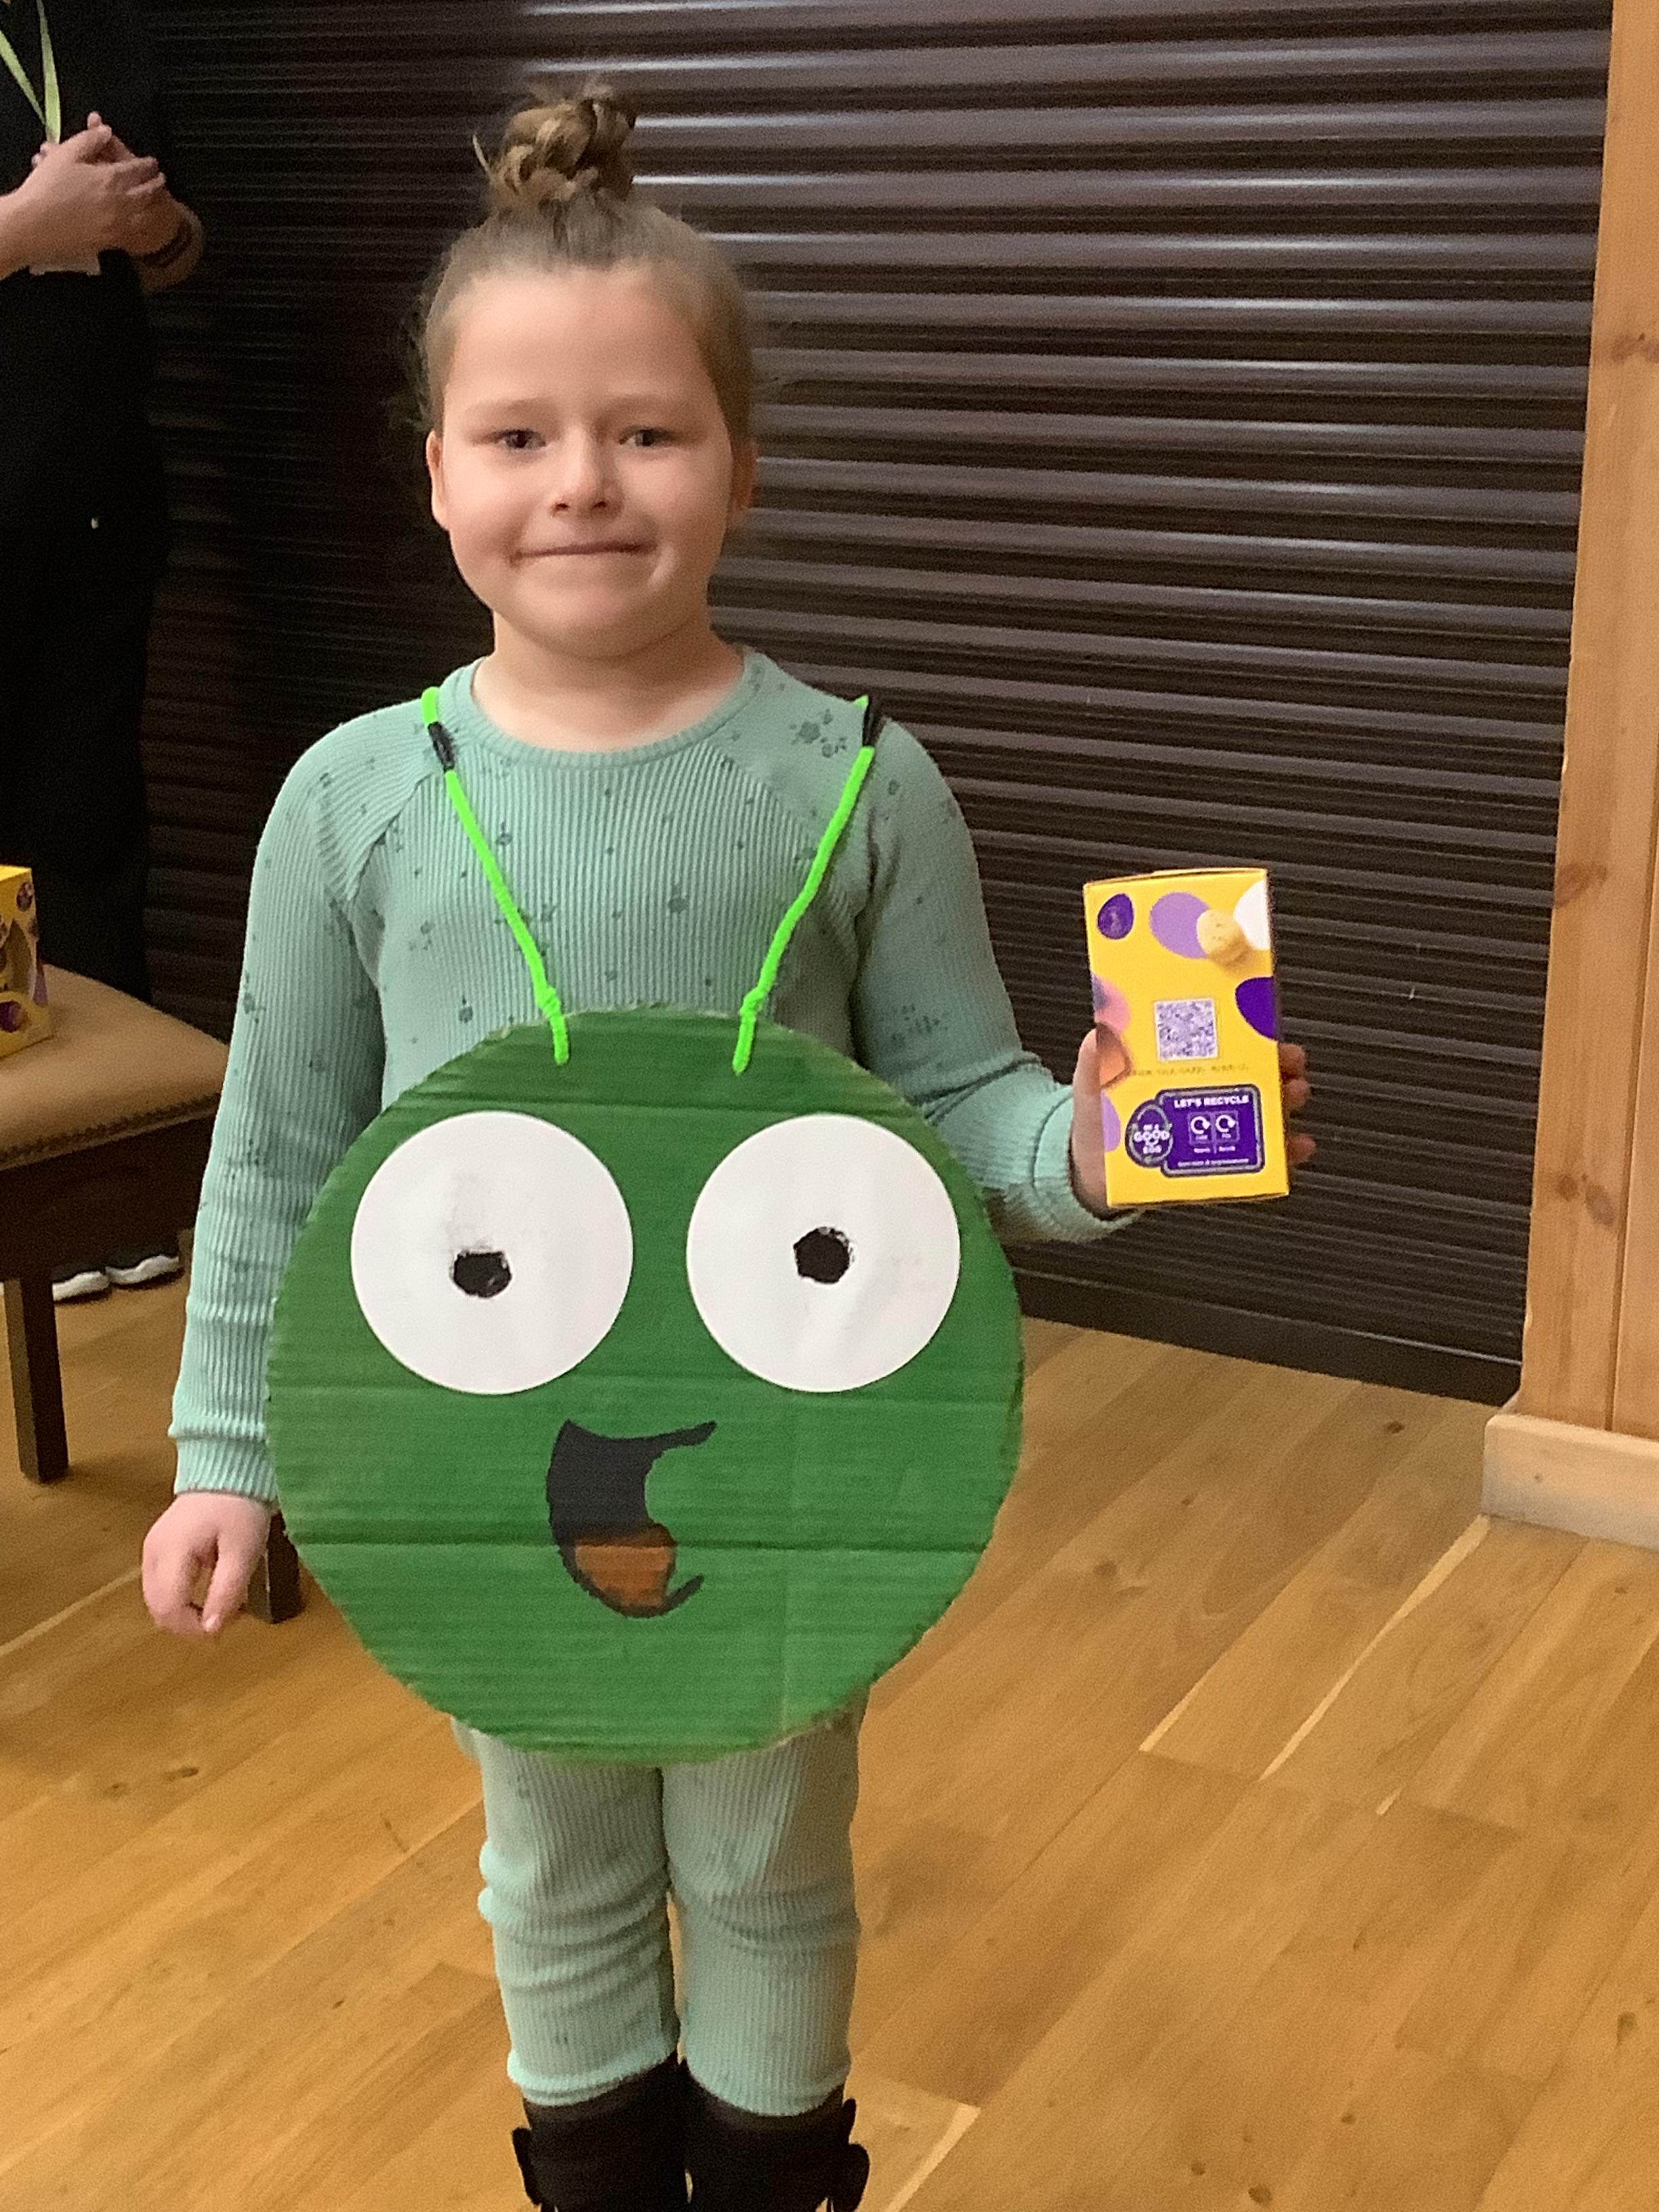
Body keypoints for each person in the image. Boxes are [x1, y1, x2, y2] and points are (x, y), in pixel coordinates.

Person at [139, 89, 1313, 2212]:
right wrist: (227, 1453)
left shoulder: (860, 783)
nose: (582, 481)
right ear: (436, 473)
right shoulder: (354, 799)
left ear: (742, 469)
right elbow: (283, 1149)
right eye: (517, 434)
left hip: (791, 1440)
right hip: (478, 1443)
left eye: (649, 432)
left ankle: (778, 2180)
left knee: (770, 1851)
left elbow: (950, 1113)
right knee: (553, 1844)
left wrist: (1107, 1144)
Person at [1, 0, 205, 1302]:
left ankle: (101, 1192)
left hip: (91, 493)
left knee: (90, 829)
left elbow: (181, 251)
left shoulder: (105, 19)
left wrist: (151, 227)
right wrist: (27, 228)